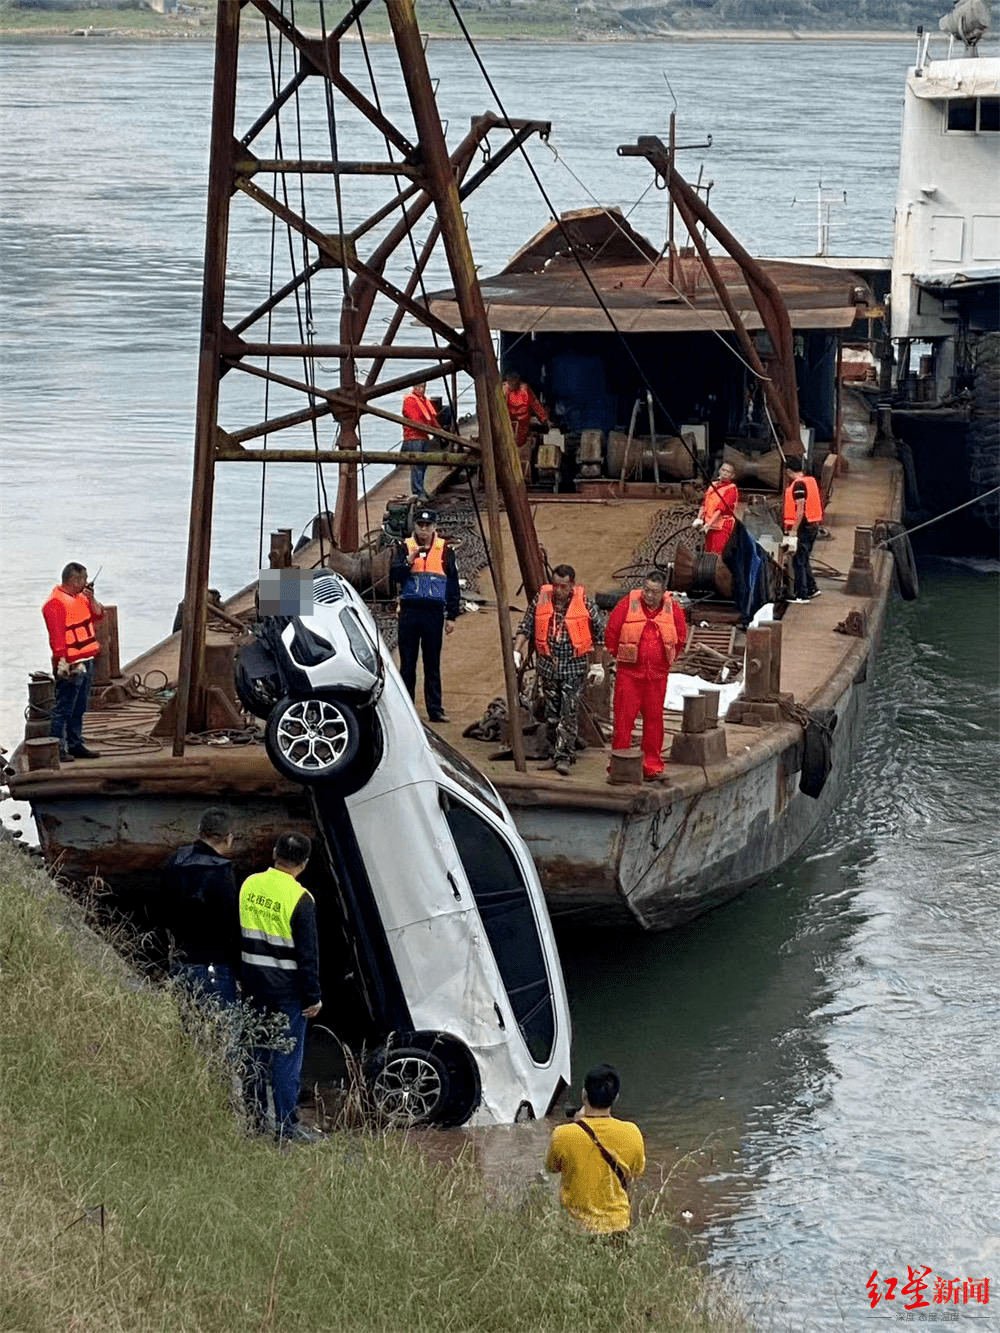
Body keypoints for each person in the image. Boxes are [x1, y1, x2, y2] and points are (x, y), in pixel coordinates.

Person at [239, 832, 323, 1144]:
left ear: (275, 853)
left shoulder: (249, 885)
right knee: (286, 1063)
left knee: (254, 1057)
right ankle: (286, 1128)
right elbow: (308, 955)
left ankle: (254, 1121)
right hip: (288, 994)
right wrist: (313, 997)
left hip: (253, 987)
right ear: (304, 863)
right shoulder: (301, 898)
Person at [513, 565, 605, 776]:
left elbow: (600, 634)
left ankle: (564, 756)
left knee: (568, 712)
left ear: (572, 585)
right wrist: (516, 651)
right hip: (548, 668)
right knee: (551, 713)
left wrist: (597, 665)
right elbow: (526, 626)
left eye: (563, 586)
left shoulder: (585, 604)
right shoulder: (541, 600)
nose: (559, 591)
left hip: (573, 668)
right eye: (555, 585)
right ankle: (553, 752)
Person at [605, 570, 687, 782]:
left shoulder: (674, 610)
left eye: (654, 592)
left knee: (654, 721)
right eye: (646, 590)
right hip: (629, 674)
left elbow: (680, 637)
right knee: (623, 721)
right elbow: (612, 632)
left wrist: (665, 661)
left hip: (657, 677)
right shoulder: (626, 605)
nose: (649, 595)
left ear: (663, 593)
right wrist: (620, 657)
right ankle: (620, 766)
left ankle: (651, 765)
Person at [545, 1064, 645, 1236]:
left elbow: (552, 1167)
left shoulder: (562, 1134)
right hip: (618, 1227)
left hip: (576, 1229)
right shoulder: (632, 1132)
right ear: (616, 1098)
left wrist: (577, 1125)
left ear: (584, 1094)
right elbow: (635, 1173)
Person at [159, 808, 240, 1008]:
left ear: (199, 830)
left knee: (184, 1033)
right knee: (222, 1034)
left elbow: (160, 907)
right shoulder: (222, 872)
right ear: (228, 838)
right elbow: (231, 925)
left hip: (179, 962)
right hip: (213, 967)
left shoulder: (175, 860)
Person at [390, 509, 460, 723]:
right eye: (420, 525)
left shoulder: (445, 551)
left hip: (433, 614)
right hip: (410, 612)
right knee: (408, 664)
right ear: (415, 526)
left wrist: (452, 616)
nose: (424, 529)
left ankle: (435, 709)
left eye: (427, 525)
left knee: (432, 662)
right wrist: (408, 562)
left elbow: (452, 584)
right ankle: (406, 708)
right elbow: (395, 575)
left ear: (434, 527)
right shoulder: (404, 548)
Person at [41, 561, 104, 761]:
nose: (87, 581)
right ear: (74, 579)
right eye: (84, 578)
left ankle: (75, 744)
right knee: (63, 707)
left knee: (79, 707)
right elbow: (57, 637)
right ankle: (57, 747)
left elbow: (98, 614)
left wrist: (92, 598)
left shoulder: (81, 598)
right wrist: (63, 663)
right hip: (70, 662)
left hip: (86, 659)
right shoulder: (55, 602)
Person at [782, 455, 824, 603]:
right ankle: (812, 588)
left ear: (788, 471)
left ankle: (802, 594)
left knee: (798, 560)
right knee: (804, 558)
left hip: (803, 527)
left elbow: (800, 509)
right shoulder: (810, 481)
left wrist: (793, 530)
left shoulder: (798, 485)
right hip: (813, 524)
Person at [503, 371, 548, 480]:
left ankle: (524, 477)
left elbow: (535, 405)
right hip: (507, 425)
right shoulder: (503, 389)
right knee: (507, 450)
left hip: (523, 425)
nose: (513, 382)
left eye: (515, 379)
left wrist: (544, 419)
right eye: (511, 379)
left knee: (522, 450)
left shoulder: (525, 389)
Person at [401, 381, 440, 500]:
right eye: (419, 386)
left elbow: (431, 418)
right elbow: (416, 420)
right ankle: (417, 492)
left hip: (423, 437)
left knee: (423, 465)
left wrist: (439, 431)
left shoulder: (424, 401)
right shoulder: (410, 401)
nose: (421, 389)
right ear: (414, 387)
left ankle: (421, 489)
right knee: (417, 465)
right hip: (413, 438)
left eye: (423, 386)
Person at [692, 461, 739, 555]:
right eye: (723, 470)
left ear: (732, 476)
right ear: (719, 470)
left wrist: (708, 525)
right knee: (707, 552)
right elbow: (704, 504)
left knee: (717, 553)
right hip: (709, 526)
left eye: (728, 472)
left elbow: (720, 509)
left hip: (722, 526)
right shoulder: (712, 486)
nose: (724, 473)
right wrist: (699, 519)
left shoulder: (731, 489)